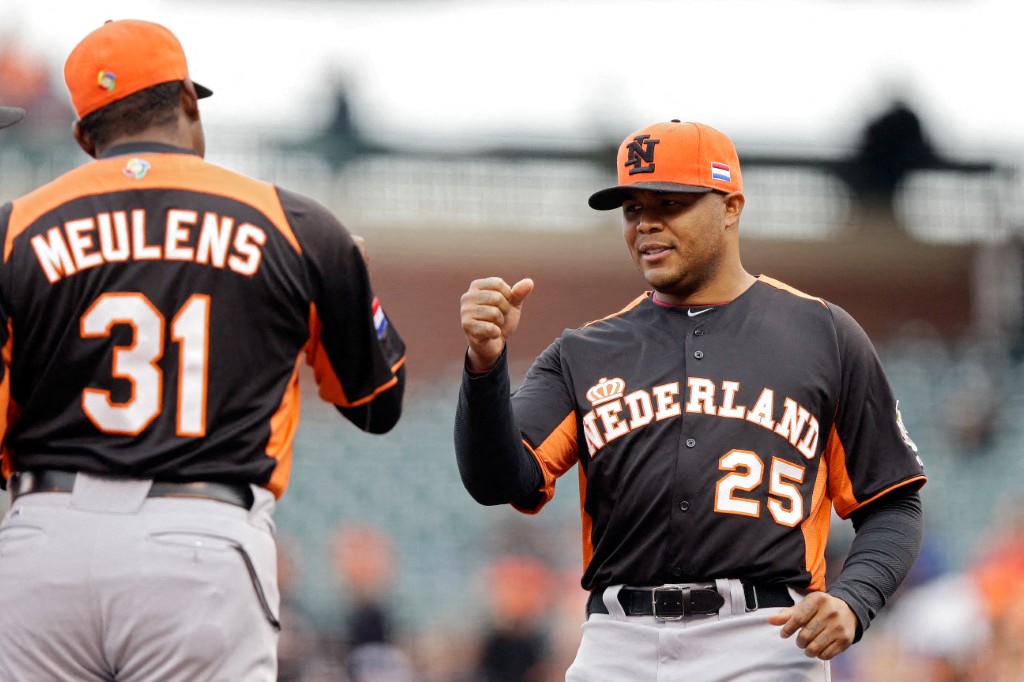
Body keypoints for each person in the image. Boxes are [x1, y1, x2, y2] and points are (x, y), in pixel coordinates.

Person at [0, 19, 405, 682]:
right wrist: (353, 280)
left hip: (44, 538)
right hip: (199, 541)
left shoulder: (14, 229)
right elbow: (378, 402)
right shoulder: (297, 225)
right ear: (188, 101)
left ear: (82, 134)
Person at [455, 120, 926, 680]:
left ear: (730, 206)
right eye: (632, 208)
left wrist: (855, 598)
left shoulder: (822, 333)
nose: (646, 223)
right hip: (618, 641)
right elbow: (499, 480)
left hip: (766, 638)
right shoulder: (584, 351)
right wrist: (484, 367)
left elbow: (892, 501)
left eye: (670, 202)